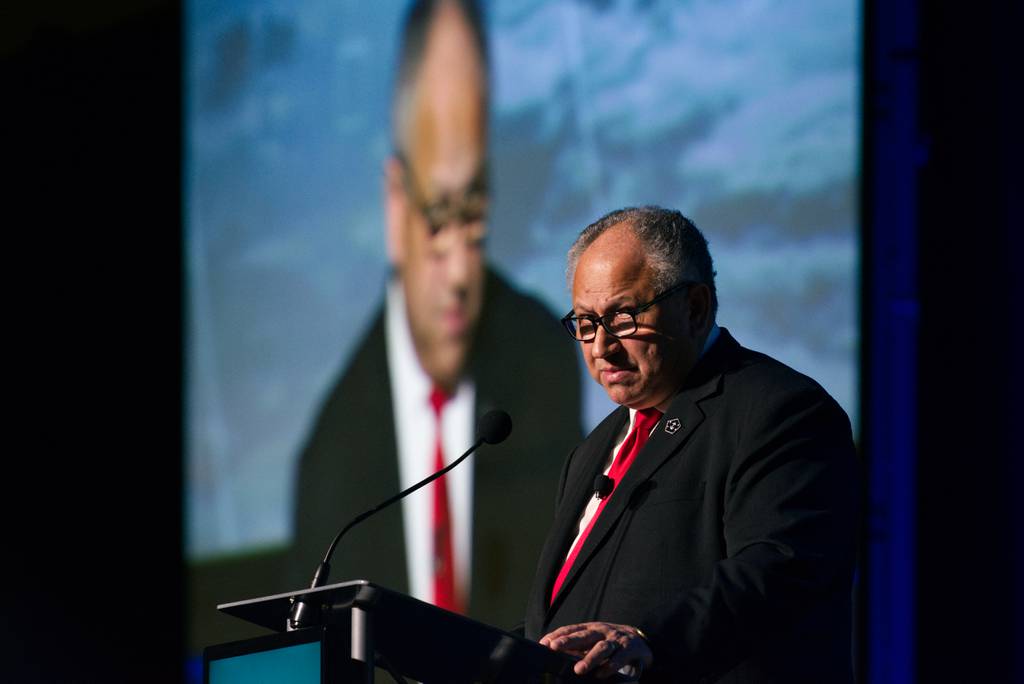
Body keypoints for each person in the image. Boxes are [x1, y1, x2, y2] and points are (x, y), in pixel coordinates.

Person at [289, 0, 582, 630]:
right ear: (395, 206)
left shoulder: (546, 360)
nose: (459, 272)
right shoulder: (329, 462)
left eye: (474, 213)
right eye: (439, 217)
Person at [525, 206, 862, 682]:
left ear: (696, 307)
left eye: (622, 317)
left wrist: (650, 642)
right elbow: (569, 617)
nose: (601, 346)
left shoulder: (781, 410)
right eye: (585, 322)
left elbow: (777, 571)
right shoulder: (593, 450)